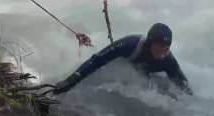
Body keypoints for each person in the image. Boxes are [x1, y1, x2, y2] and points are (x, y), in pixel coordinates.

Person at [52, 23, 193, 96]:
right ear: (150, 43)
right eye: (160, 50)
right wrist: (71, 81)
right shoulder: (130, 45)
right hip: (123, 70)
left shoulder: (169, 61)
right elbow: (97, 60)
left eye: (166, 49)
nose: (163, 54)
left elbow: (184, 85)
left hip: (147, 77)